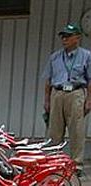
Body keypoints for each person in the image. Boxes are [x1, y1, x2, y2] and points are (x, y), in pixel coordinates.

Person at [43, 23, 91, 173]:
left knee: (76, 130)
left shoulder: (86, 56)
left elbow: (90, 80)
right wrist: (47, 100)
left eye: (68, 36)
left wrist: (89, 99)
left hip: (76, 93)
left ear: (77, 37)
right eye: (63, 36)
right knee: (54, 130)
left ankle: (76, 164)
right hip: (57, 93)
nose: (65, 39)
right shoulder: (55, 57)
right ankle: (53, 162)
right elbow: (48, 80)